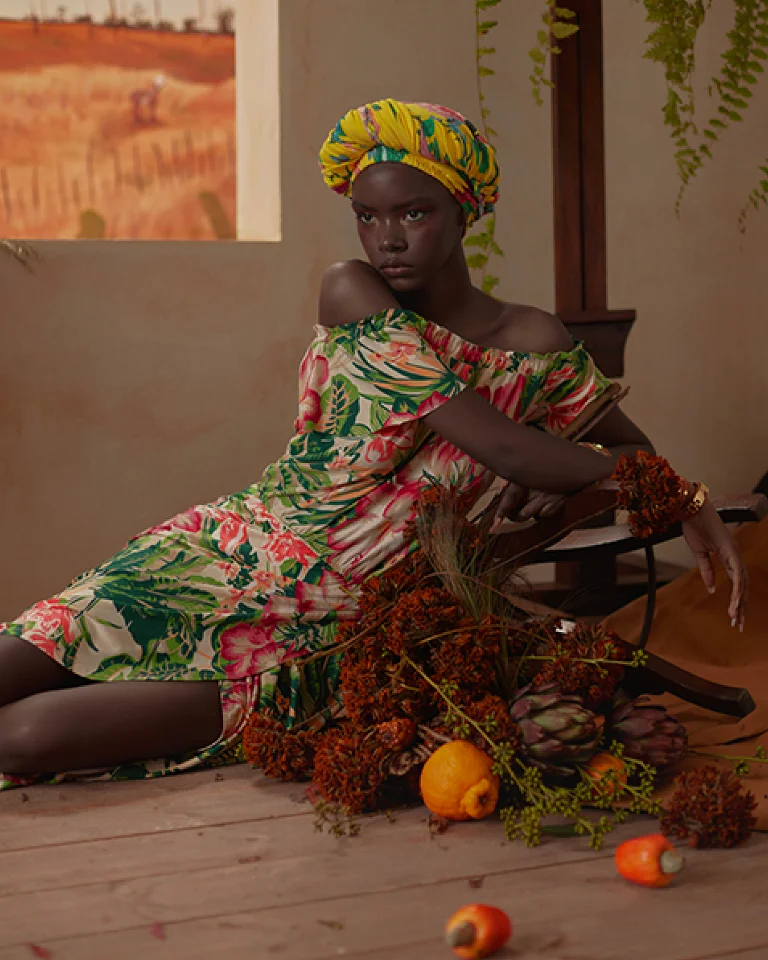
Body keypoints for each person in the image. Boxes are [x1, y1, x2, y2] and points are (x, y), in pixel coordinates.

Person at [0, 99, 747, 790]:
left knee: (27, 737)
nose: (387, 238)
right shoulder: (352, 291)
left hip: (338, 635)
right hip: (227, 557)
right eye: (367, 216)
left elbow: (633, 453)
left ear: (464, 211)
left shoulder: (536, 345)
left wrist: (611, 475)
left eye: (414, 213)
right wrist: (642, 486)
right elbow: (512, 453)